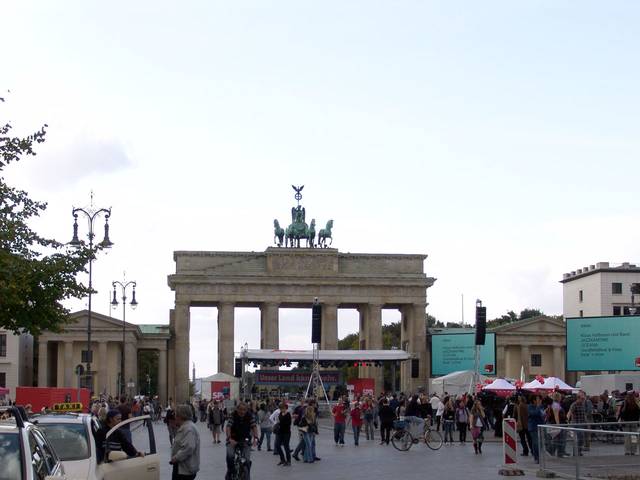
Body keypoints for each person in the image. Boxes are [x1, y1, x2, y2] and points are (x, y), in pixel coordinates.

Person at [225, 402, 259, 479]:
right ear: (237, 409)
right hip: (233, 439)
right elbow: (228, 426)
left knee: (247, 460)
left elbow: (254, 426)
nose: (242, 412)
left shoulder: (249, 416)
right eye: (240, 409)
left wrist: (256, 438)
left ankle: (247, 475)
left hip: (245, 440)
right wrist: (229, 438)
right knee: (230, 456)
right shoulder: (233, 415)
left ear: (247, 410)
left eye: (244, 410)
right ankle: (230, 471)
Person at [170, 404, 201, 480]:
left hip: (185, 470)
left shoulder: (188, 429)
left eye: (175, 414)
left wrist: (176, 458)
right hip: (181, 468)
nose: (174, 417)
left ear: (180, 416)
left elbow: (188, 447)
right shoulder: (185, 427)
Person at [567, 391, 587, 456]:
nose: (583, 400)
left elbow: (584, 414)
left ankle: (579, 451)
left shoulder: (583, 404)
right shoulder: (574, 404)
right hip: (576, 424)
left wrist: (586, 422)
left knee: (581, 439)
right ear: (578, 398)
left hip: (582, 423)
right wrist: (567, 421)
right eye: (582, 399)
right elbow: (569, 413)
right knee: (578, 439)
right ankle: (575, 452)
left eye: (583, 399)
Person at [528, 395, 545, 464]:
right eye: (538, 399)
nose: (540, 401)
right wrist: (538, 407)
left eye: (540, 400)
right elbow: (534, 414)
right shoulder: (530, 407)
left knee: (539, 443)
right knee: (536, 443)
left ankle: (539, 456)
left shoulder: (541, 406)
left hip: (541, 426)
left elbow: (542, 414)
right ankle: (536, 457)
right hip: (533, 427)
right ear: (534, 400)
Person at [275, 402, 292, 466]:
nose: (282, 409)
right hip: (280, 432)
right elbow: (279, 421)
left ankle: (288, 461)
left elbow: (288, 424)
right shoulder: (280, 414)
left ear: (285, 408)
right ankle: (282, 459)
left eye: (283, 408)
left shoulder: (288, 415)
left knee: (286, 446)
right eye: (281, 408)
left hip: (286, 433)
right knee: (277, 445)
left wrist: (280, 423)